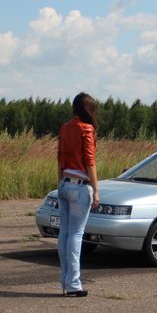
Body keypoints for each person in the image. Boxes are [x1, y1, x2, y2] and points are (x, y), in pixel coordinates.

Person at [56, 92, 100, 297]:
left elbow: (60, 157)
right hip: (80, 186)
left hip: (64, 183)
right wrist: (96, 189)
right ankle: (74, 284)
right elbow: (89, 160)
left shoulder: (65, 127)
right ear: (88, 110)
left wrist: (60, 183)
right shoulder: (87, 129)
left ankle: (66, 282)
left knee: (64, 234)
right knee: (75, 235)